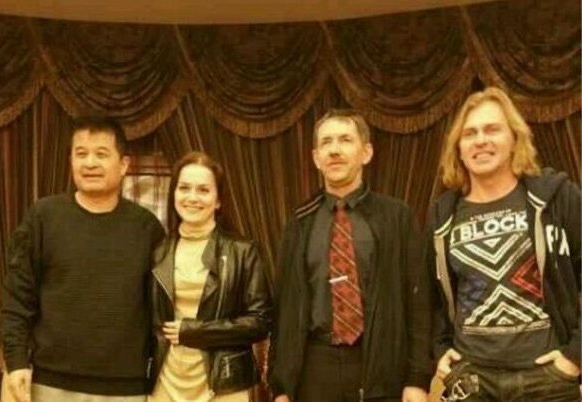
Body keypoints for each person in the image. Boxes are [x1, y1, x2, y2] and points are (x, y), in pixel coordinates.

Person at [427, 87, 581, 401]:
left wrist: (575, 356)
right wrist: (439, 350)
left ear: (515, 139)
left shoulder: (556, 197)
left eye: (492, 129)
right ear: (459, 148)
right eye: (469, 133)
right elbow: (428, 296)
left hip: (546, 378)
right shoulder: (442, 214)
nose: (480, 140)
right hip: (471, 378)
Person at [268, 109, 432, 402]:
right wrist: (280, 387)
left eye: (345, 140)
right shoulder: (299, 223)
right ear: (316, 158)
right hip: (314, 370)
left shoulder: (397, 217)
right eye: (326, 142)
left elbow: (418, 304)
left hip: (382, 364)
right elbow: (284, 309)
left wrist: (418, 378)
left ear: (366, 152)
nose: (334, 150)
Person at [1, 116, 165, 402]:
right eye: (81, 154)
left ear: (123, 164)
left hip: (125, 387)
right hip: (49, 382)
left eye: (101, 154)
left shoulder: (147, 228)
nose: (90, 163)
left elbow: (158, 312)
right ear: (71, 161)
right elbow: (17, 297)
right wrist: (16, 362)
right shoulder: (43, 217)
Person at [148, 151, 273, 402]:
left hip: (223, 381)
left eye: (203, 190)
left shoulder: (243, 251)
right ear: (174, 194)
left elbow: (261, 321)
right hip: (165, 380)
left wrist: (197, 331)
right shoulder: (157, 251)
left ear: (218, 201)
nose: (192, 197)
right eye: (184, 188)